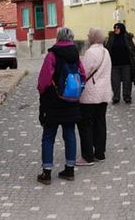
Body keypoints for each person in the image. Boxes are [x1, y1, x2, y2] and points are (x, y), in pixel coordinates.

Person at [37, 27, 86, 184]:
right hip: (71, 100)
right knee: (70, 133)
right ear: (71, 38)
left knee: (48, 136)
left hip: (53, 100)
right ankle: (69, 169)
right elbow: (83, 75)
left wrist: (42, 93)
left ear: (58, 38)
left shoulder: (52, 55)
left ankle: (46, 172)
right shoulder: (76, 55)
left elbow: (44, 80)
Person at [77, 28, 113, 166]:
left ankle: (87, 156)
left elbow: (84, 72)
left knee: (86, 124)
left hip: (90, 94)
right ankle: (100, 153)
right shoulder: (106, 52)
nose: (87, 36)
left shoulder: (91, 52)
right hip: (104, 92)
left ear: (93, 37)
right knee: (100, 123)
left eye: (89, 34)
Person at [105, 23, 135, 104]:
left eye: (118, 27)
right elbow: (107, 48)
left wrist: (134, 59)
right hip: (114, 64)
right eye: (114, 27)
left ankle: (127, 97)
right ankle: (116, 97)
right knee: (115, 82)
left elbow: (133, 49)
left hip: (126, 63)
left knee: (127, 81)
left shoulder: (127, 37)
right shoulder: (111, 38)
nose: (116, 29)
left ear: (122, 28)